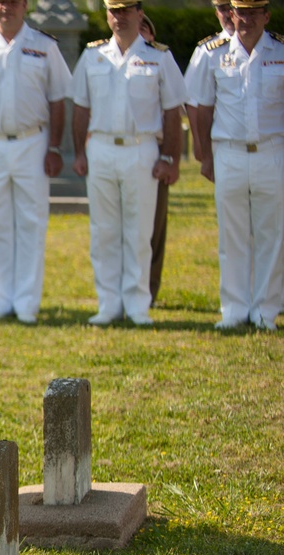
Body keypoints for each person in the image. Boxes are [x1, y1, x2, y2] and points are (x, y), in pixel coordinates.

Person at [69, 0, 185, 326]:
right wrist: (79, 152)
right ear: (107, 14)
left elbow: (172, 110)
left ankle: (137, 304)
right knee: (103, 230)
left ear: (139, 13)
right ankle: (108, 303)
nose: (119, 17)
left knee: (138, 229)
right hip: (102, 147)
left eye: (125, 10)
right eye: (113, 10)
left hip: (141, 148)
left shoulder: (158, 56)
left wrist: (169, 158)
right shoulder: (93, 55)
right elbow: (80, 107)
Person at [0, 0, 71, 324]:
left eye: (14, 1)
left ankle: (26, 304)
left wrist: (55, 148)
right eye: (0, 1)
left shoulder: (44, 45)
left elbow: (58, 98)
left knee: (31, 222)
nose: (7, 7)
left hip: (32, 142)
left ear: (25, 5)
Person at [188, 0, 283, 330]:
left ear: (266, 16)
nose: (245, 19)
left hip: (272, 150)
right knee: (232, 234)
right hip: (228, 151)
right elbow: (199, 106)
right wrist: (204, 154)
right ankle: (234, 308)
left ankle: (265, 311)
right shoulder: (212, 51)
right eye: (241, 12)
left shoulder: (280, 50)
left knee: (272, 234)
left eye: (254, 12)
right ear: (232, 13)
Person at [138, 13, 172, 305]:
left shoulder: (160, 62)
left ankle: (150, 288)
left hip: (155, 153)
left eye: (144, 30)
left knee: (154, 227)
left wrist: (170, 157)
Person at [184, 0, 235, 162]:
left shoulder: (274, 48)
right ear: (216, 13)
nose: (228, 15)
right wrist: (199, 144)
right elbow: (192, 101)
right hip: (224, 144)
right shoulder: (206, 51)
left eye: (231, 9)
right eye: (222, 9)